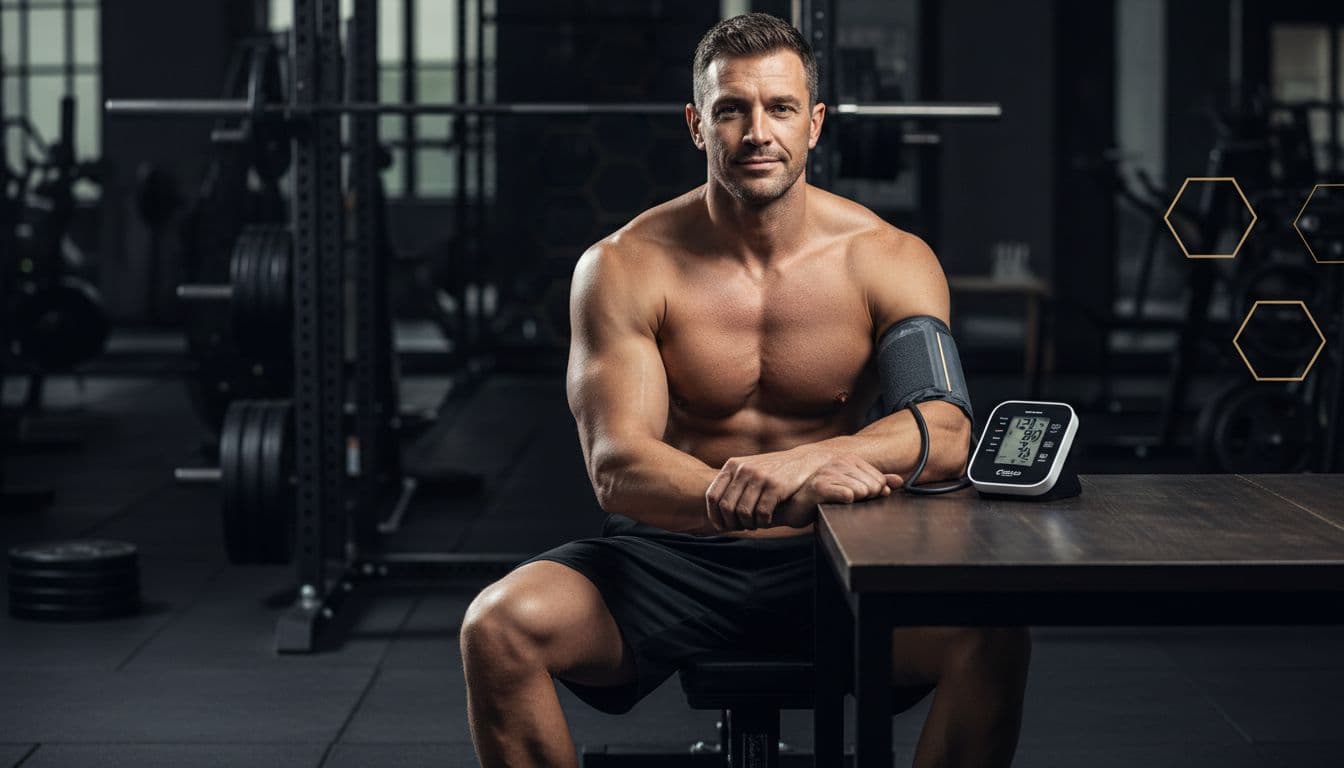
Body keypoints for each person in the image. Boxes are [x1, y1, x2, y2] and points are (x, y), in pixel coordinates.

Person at [461, 12, 1030, 767]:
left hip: (838, 555)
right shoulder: (626, 265)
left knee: (991, 634)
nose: (757, 131)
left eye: (780, 108)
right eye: (732, 110)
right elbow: (617, 464)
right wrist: (747, 492)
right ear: (698, 125)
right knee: (497, 627)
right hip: (674, 555)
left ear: (815, 124)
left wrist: (804, 465)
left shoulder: (888, 260)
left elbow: (946, 430)